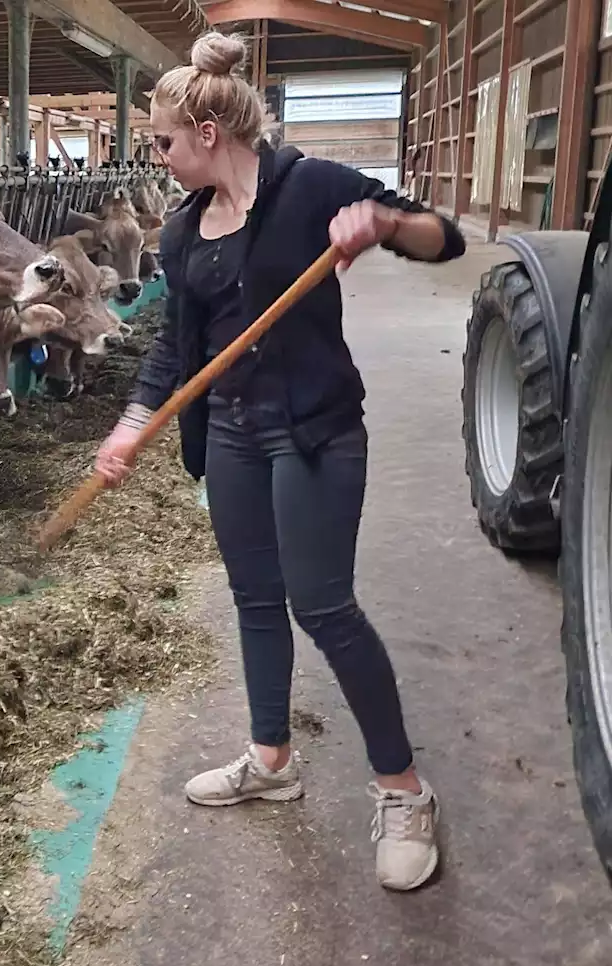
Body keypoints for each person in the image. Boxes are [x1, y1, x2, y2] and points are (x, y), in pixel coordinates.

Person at [95, 31, 465, 892]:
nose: (158, 157)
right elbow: (173, 352)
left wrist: (386, 223)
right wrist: (132, 424)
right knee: (255, 599)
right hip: (229, 436)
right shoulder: (183, 233)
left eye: (162, 142)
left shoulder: (309, 189)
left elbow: (442, 241)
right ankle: (271, 759)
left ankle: (403, 791)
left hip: (315, 434)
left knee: (324, 606)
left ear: (209, 135)